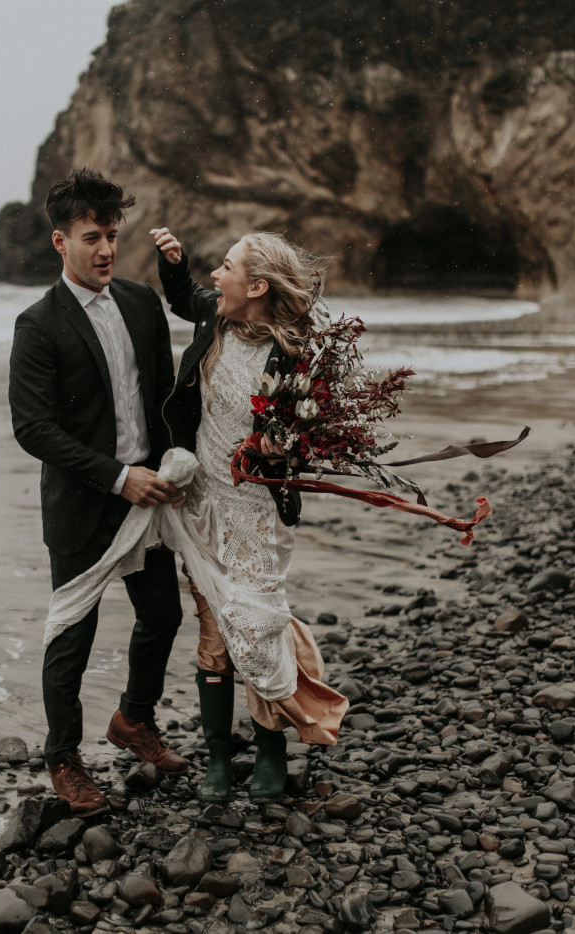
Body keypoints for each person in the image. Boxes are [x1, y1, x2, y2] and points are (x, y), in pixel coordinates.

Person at [8, 169, 189, 818]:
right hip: (85, 505)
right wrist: (116, 476)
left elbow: (166, 398)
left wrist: (183, 466)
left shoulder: (141, 304)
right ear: (60, 242)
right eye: (92, 237)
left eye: (112, 235)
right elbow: (32, 428)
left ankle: (133, 721)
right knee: (72, 639)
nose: (106, 249)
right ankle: (63, 759)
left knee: (163, 616)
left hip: (149, 500)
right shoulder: (37, 326)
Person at [150, 225, 349, 804]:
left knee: (258, 622)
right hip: (203, 502)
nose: (218, 276)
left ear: (257, 285)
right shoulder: (213, 317)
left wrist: (281, 447)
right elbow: (184, 295)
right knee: (215, 630)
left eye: (228, 267)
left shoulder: (295, 353)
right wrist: (174, 262)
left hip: (261, 509)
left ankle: (269, 751)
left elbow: (312, 432)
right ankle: (217, 757)